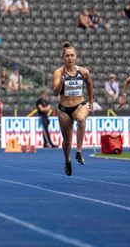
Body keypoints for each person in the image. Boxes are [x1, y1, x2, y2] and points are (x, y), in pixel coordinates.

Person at [52, 42, 94, 176]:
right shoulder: (58, 72)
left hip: (79, 105)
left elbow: (89, 85)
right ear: (63, 58)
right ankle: (67, 160)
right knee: (67, 141)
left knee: (81, 120)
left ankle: (79, 151)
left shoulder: (83, 71)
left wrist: (91, 101)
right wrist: (62, 81)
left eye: (72, 55)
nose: (70, 58)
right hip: (64, 109)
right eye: (67, 56)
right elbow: (55, 92)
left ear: (75, 57)